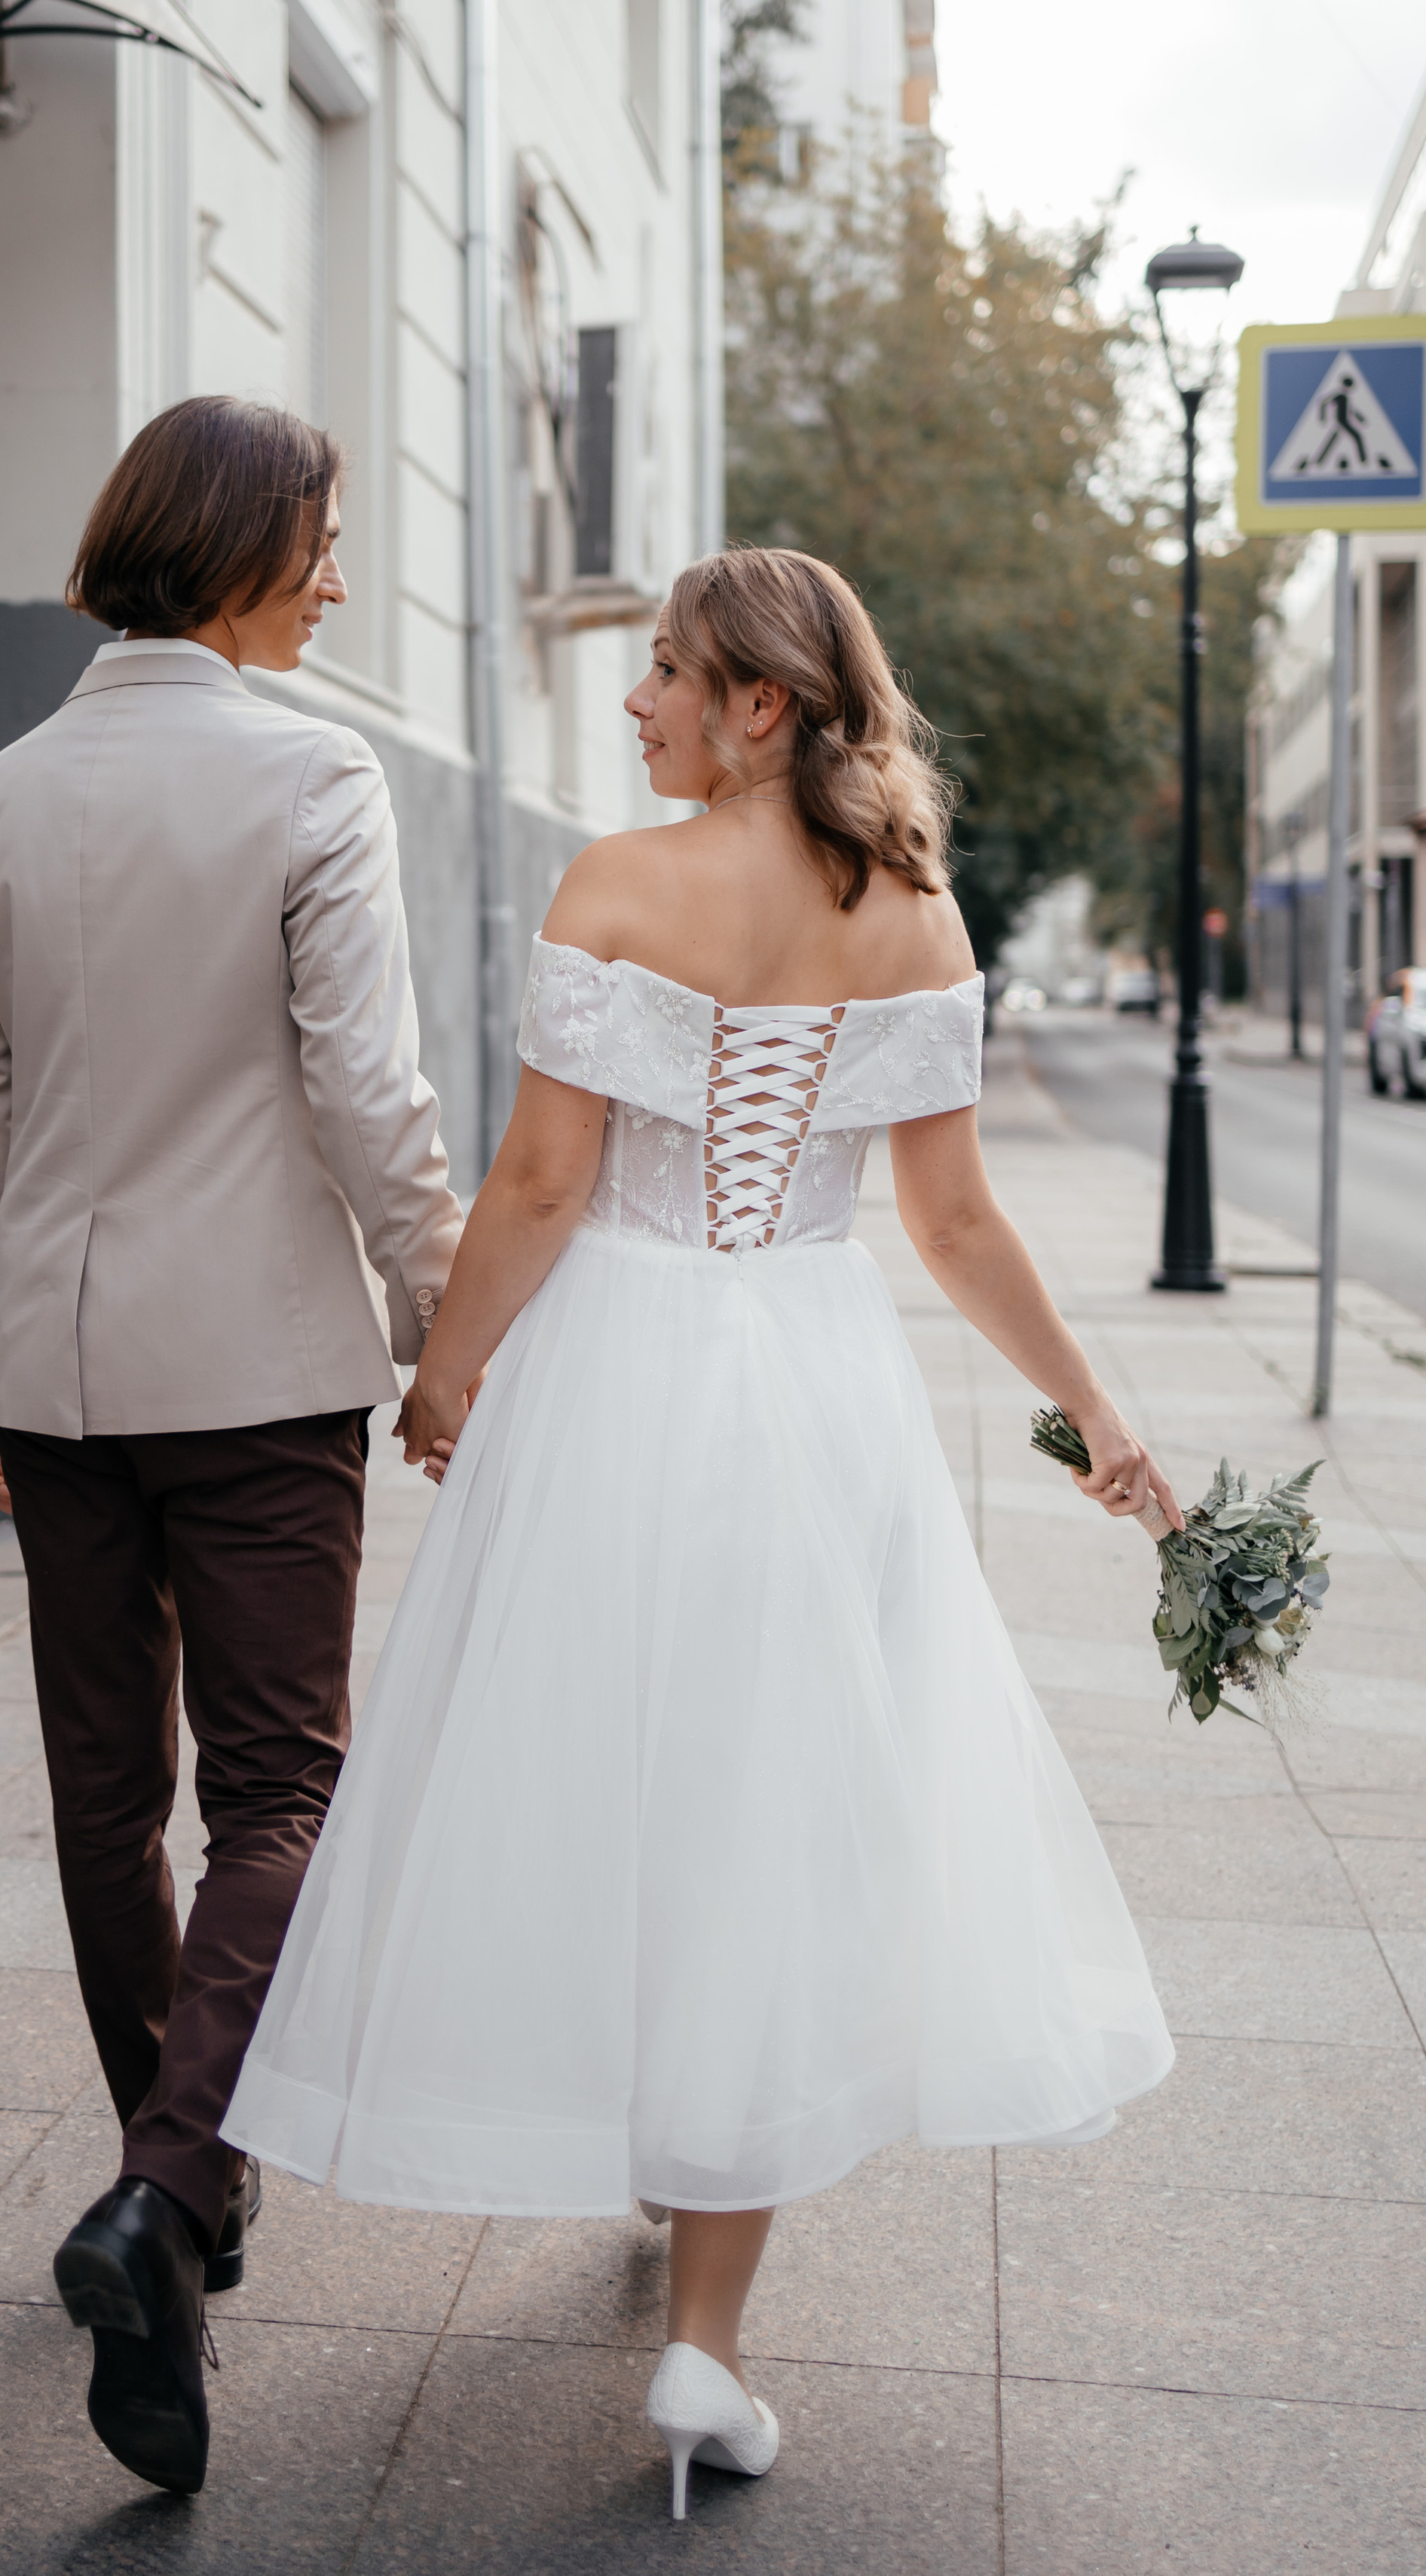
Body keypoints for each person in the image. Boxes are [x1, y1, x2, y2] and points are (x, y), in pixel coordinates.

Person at [222, 546, 1180, 2523]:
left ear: (761, 705)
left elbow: (549, 1179)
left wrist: (448, 1371)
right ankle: (706, 2339)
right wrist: (1100, 1417)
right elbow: (956, 1223)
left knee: (606, 1774)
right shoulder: (909, 911)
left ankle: (658, 2177)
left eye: (667, 674)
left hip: (625, 1377)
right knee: (771, 1816)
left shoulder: (621, 888)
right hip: (815, 1385)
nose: (640, 702)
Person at [0, 396, 463, 2496]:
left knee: (100, 1799)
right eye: (322, 541)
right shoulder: (313, 775)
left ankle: (174, 2203)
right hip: (253, 1379)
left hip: (60, 1381)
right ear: (239, 545)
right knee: (281, 1792)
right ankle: (165, 2198)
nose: (336, 580)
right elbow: (365, 1096)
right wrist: (445, 1320)